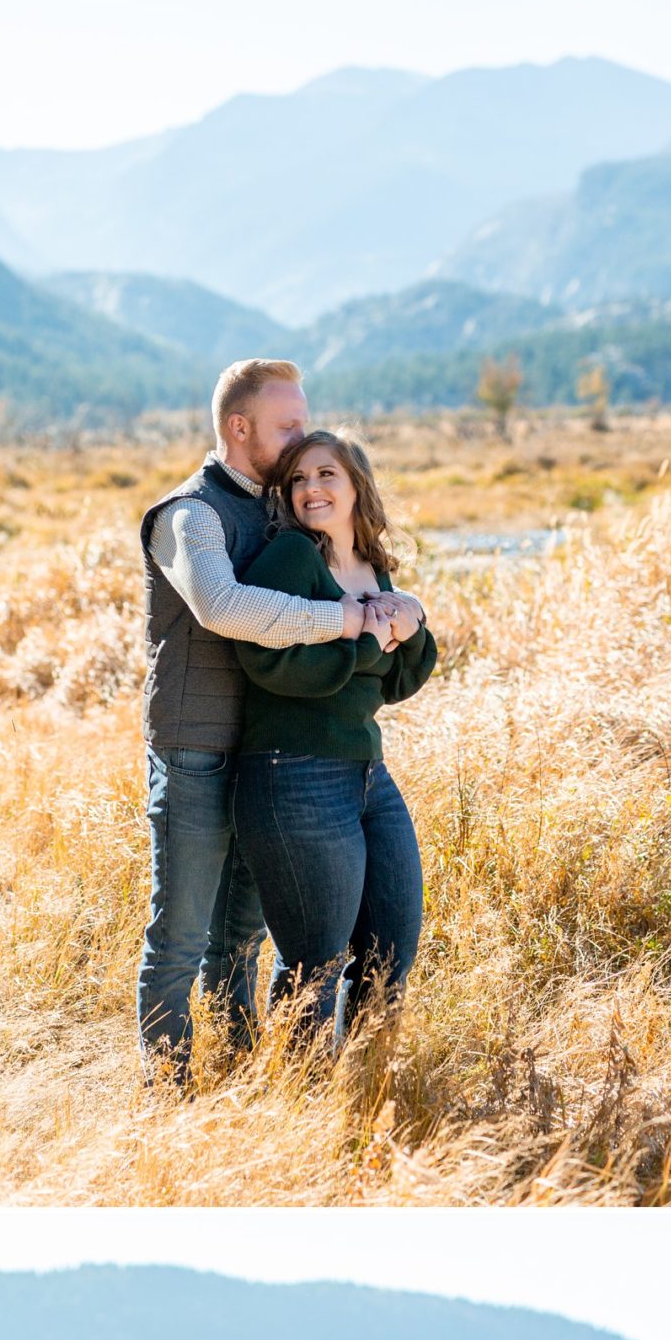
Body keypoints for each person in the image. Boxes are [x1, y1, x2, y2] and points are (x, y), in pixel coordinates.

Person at [136, 361, 414, 1078]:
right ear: (239, 427)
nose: (299, 441)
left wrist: (400, 607)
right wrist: (351, 621)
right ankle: (167, 1082)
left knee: (243, 935)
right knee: (183, 933)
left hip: (271, 754)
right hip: (196, 746)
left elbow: (345, 564)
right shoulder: (187, 515)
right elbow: (225, 609)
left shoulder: (278, 512)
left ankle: (239, 1065)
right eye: (287, 426)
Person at [231, 430, 437, 1044]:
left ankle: (366, 1082)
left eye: (326, 475)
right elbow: (267, 662)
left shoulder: (375, 568)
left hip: (366, 772)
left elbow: (397, 681)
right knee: (312, 966)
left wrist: (413, 619)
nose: (310, 489)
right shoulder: (292, 558)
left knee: (391, 950)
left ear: (357, 486)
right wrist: (369, 642)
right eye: (297, 479)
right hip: (292, 772)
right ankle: (302, 1105)